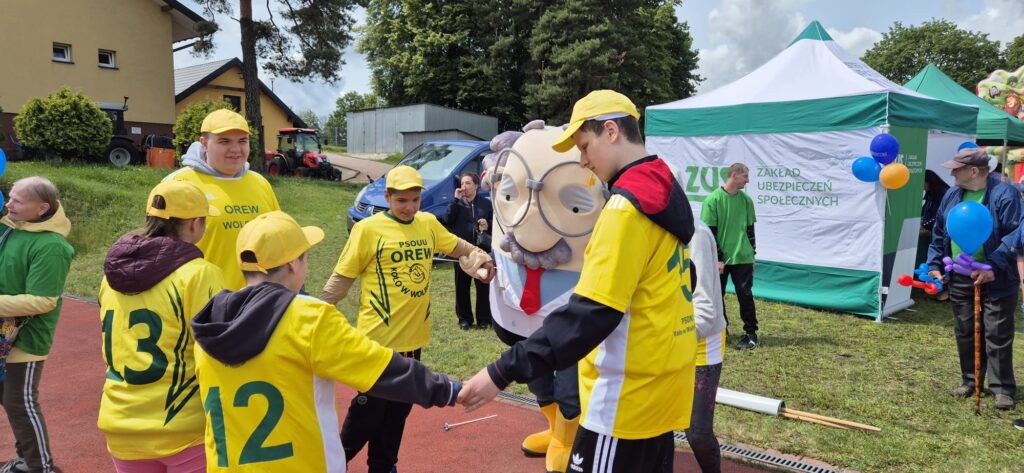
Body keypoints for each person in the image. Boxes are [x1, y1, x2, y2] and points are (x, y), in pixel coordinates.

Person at [460, 90, 697, 473]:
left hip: (623, 398)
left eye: (585, 147)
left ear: (611, 131)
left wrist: (501, 372)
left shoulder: (624, 210)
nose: (583, 161)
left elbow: (590, 314)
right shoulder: (664, 189)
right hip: (662, 389)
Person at [191, 211, 463, 472]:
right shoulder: (309, 317)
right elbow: (380, 369)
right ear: (293, 263)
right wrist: (447, 390)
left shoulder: (212, 321)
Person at [319, 166, 493, 473]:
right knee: (368, 413)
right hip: (377, 342)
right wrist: (314, 310)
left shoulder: (427, 224)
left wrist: (481, 258)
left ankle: (384, 466)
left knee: (398, 412)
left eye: (415, 200)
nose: (410, 207)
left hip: (413, 341)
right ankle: (329, 465)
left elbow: (458, 246)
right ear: (387, 197)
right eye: (401, 201)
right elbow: (342, 278)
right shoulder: (368, 230)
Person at [484, 121, 606, 472]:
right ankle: (554, 429)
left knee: (569, 379)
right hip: (525, 310)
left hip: (570, 302)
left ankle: (567, 439)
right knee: (535, 374)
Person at [96, 181, 225, 472]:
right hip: (182, 425)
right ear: (194, 224)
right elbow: (217, 350)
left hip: (119, 420)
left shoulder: (110, 276)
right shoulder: (199, 274)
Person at [927, 148, 1021, 411]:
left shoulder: (1005, 195)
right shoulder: (951, 195)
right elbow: (939, 232)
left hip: (997, 277)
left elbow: (1013, 237)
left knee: (997, 334)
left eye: (956, 169)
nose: (952, 173)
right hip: (960, 276)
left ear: (975, 171)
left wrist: (993, 267)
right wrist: (935, 264)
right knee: (965, 330)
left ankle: (1002, 389)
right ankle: (970, 380)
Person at [0, 177, 74, 473]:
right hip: (4, 334)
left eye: (17, 201)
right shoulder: (11, 229)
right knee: (10, 400)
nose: (8, 204)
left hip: (27, 338)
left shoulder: (52, 246)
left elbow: (44, 300)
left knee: (20, 402)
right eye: (10, 197)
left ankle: (41, 467)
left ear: (42, 208)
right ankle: (25, 461)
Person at [166, 108, 280, 290]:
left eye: (242, 141)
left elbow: (280, 241)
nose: (235, 149)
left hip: (257, 300)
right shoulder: (177, 184)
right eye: (224, 141)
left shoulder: (260, 183)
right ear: (204, 143)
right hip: (202, 301)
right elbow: (162, 254)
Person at [701, 163, 758, 349]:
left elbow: (750, 230)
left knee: (745, 295)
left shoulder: (746, 200)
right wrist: (718, 258)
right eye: (745, 176)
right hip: (720, 259)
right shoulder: (713, 200)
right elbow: (710, 232)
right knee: (717, 296)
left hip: (743, 257)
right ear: (734, 175)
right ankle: (722, 330)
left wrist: (753, 254)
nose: (748, 181)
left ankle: (751, 334)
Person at [687, 220, 727, 473]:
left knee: (697, 432)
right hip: (665, 339)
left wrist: (682, 335)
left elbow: (706, 306)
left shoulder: (697, 233)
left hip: (703, 340)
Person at [443, 172, 493, 330]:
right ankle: (464, 319)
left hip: (481, 252)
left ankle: (484, 320)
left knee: (483, 286)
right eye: (462, 183)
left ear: (476, 185)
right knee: (461, 286)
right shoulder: (457, 203)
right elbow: (447, 221)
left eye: (468, 183)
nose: (464, 186)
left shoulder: (486, 204)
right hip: (462, 251)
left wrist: (488, 224)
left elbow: (495, 223)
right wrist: (455, 200)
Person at [920, 170, 950, 300]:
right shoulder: (930, 194)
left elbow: (939, 217)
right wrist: (922, 221)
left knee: (943, 259)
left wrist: (926, 225)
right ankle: (937, 286)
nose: (922, 188)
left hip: (942, 233)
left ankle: (945, 290)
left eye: (923, 184)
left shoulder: (944, 194)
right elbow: (926, 212)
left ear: (929, 182)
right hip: (934, 232)